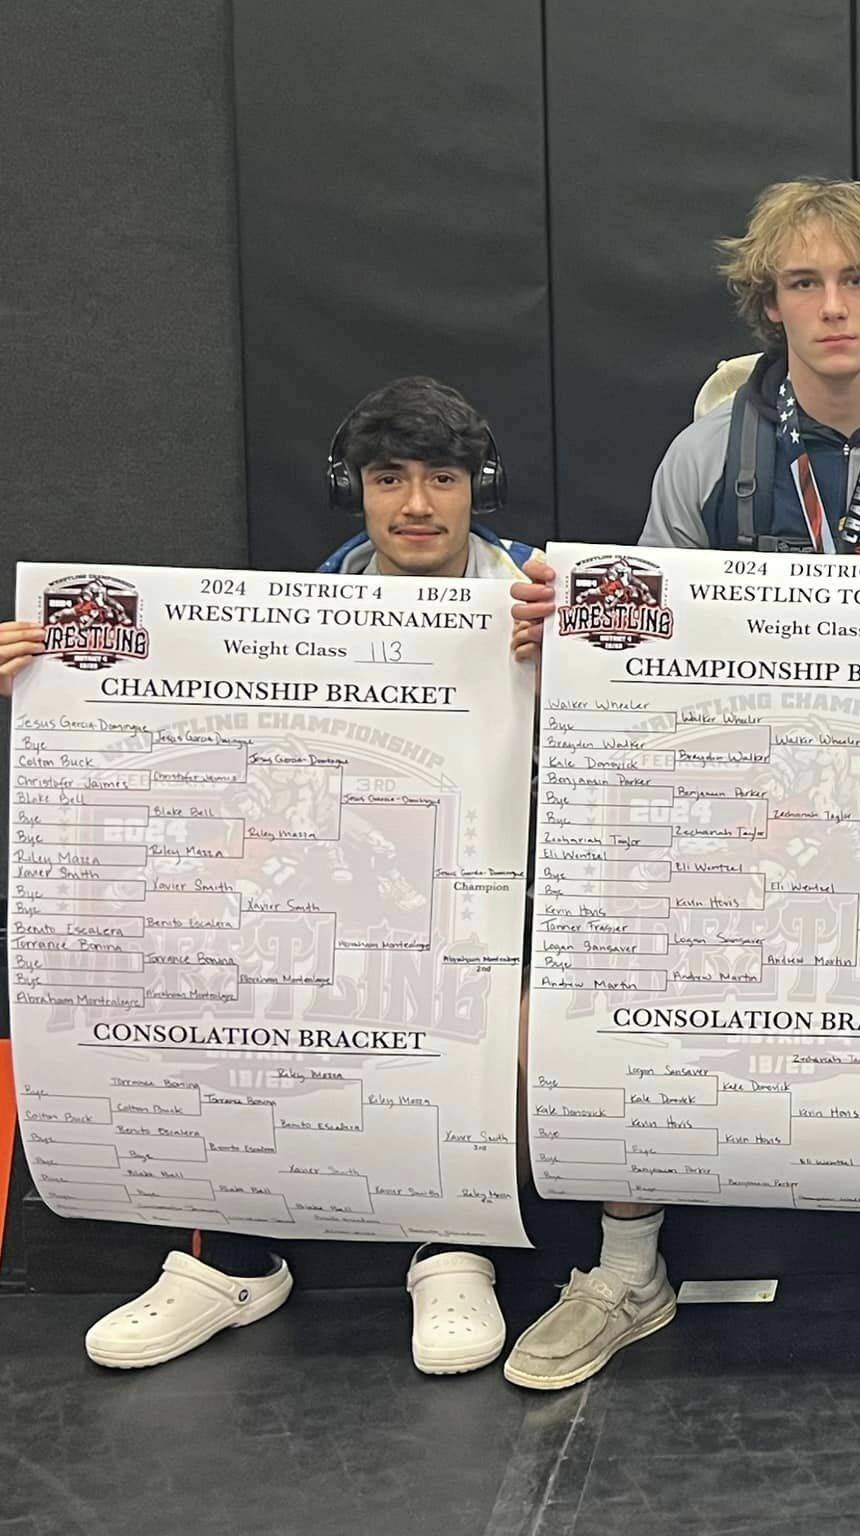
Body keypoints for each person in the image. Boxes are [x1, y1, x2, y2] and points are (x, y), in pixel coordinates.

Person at [506, 177, 860, 1394]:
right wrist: (576, 626)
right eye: (804, 283)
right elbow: (645, 652)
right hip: (744, 805)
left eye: (854, 280)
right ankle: (626, 1265)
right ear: (769, 304)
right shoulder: (705, 455)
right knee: (624, 936)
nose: (832, 308)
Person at [0, 376, 538, 1372]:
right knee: (220, 957)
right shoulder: (295, 613)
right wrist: (51, 677)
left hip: (503, 895)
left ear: (480, 487)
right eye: (388, 478)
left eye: (442, 478)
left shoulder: (537, 604)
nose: (415, 503)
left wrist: (571, 659)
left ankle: (450, 1248)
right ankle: (232, 1258)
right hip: (338, 877)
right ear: (355, 491)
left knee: (467, 991)